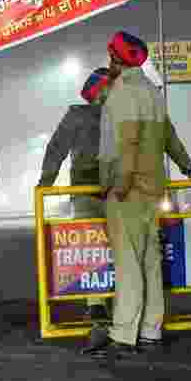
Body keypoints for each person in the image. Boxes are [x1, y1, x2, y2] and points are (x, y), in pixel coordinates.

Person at [91, 31, 191, 357]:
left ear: (115, 59)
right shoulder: (152, 92)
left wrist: (118, 186)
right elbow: (169, 135)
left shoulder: (122, 93)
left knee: (128, 264)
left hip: (129, 190)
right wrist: (186, 163)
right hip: (153, 190)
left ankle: (123, 334)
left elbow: (127, 145)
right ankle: (151, 330)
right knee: (151, 262)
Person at [38, 67, 114, 333]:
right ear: (98, 91)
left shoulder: (121, 115)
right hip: (87, 192)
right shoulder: (77, 116)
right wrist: (45, 182)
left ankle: (114, 302)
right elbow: (56, 148)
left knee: (117, 250)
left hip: (118, 190)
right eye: (109, 86)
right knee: (91, 249)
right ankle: (96, 304)